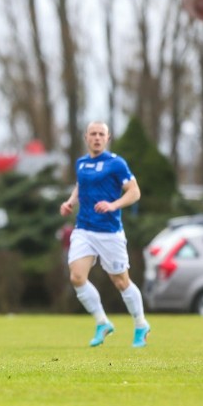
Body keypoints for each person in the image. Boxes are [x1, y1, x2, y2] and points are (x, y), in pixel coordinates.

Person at [59, 121, 150, 348]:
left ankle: (140, 324)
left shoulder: (116, 163)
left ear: (107, 139)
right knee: (77, 277)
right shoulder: (81, 163)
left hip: (110, 233)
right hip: (84, 230)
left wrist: (113, 205)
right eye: (93, 134)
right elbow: (81, 186)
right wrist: (70, 202)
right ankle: (102, 322)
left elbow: (135, 192)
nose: (97, 137)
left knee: (121, 282)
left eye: (101, 134)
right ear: (86, 137)